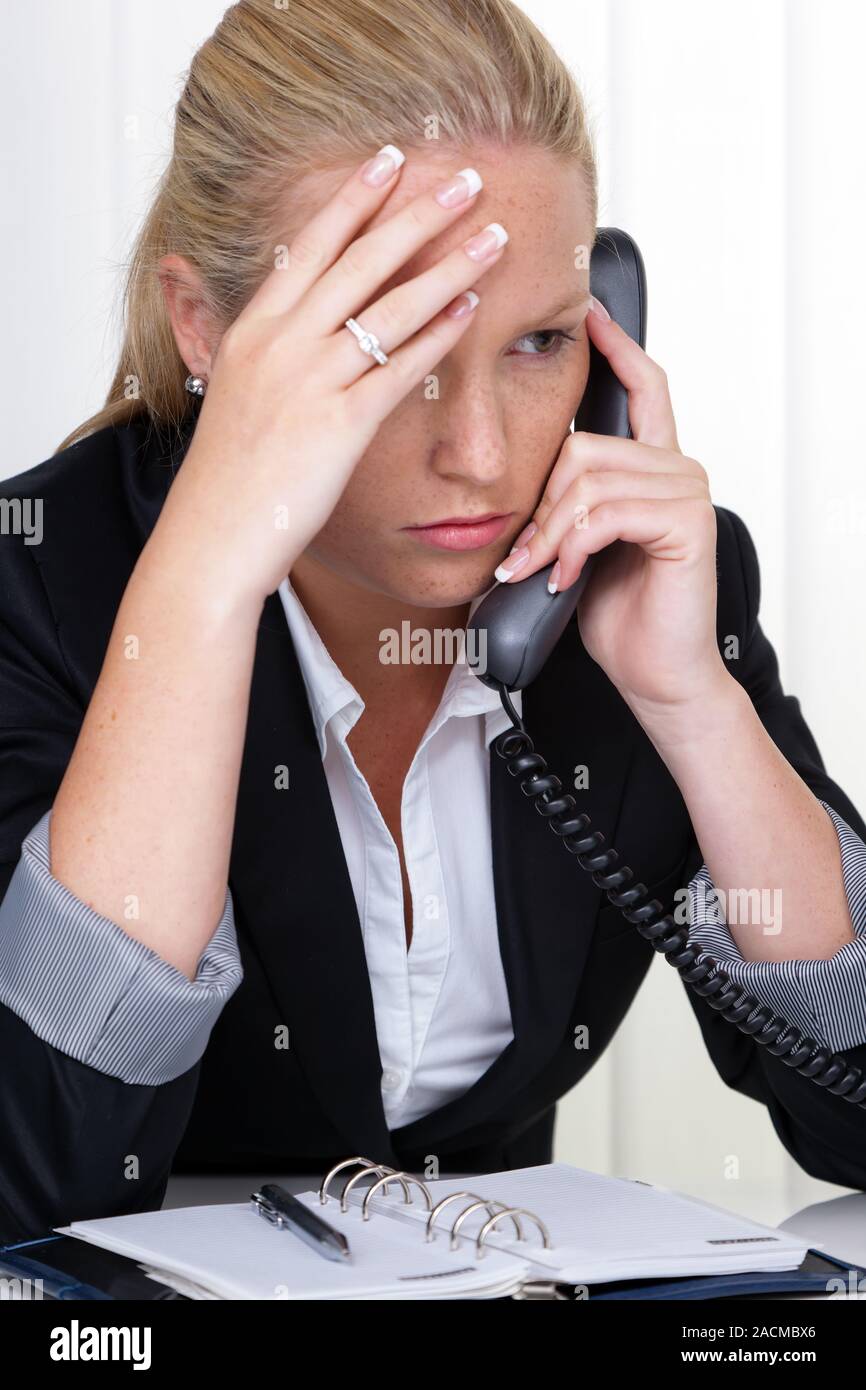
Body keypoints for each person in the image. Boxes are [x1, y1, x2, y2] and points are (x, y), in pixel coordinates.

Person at [2, 0, 866, 1245]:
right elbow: (32, 1187)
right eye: (394, 346)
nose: (478, 456)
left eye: (537, 343)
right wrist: (198, 593)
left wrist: (691, 702)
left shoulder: (640, 583)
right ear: (204, 326)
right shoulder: (39, 585)